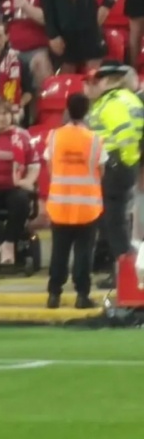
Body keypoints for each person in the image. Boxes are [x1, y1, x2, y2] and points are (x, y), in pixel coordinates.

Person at [44, 93, 105, 309]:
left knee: (59, 253)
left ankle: (54, 295)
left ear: (67, 110)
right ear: (87, 111)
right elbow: (101, 170)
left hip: (59, 206)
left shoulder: (54, 136)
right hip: (87, 208)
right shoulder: (95, 139)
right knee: (83, 254)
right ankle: (81, 296)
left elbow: (50, 167)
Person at [88, 61, 143, 289]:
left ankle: (123, 276)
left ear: (108, 80)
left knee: (115, 224)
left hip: (116, 165)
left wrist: (123, 162)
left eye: (100, 79)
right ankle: (125, 273)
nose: (97, 84)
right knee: (118, 222)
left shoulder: (113, 103)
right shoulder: (130, 99)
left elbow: (125, 136)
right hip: (124, 165)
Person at [0, 101, 41, 265]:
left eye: (4, 114)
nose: (0, 118)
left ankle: (8, 244)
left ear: (11, 116)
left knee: (21, 201)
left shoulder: (23, 136)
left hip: (15, 186)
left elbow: (34, 164)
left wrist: (28, 181)